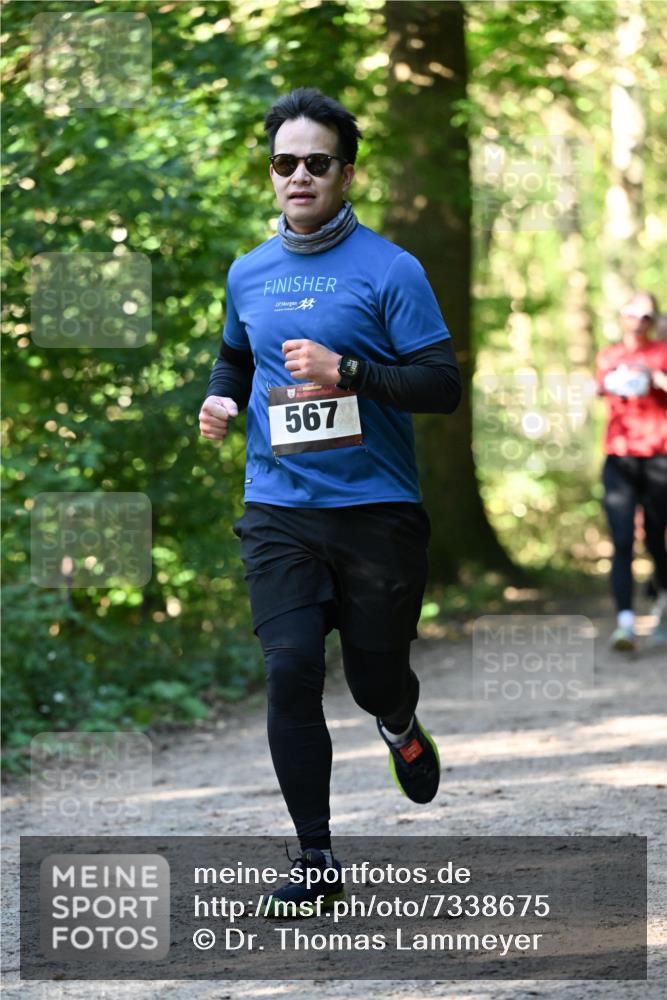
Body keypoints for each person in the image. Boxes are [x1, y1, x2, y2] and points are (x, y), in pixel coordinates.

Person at [198, 88, 461, 916]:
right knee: (288, 673)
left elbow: (440, 387)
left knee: (373, 678)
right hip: (278, 506)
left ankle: (399, 723)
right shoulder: (248, 270)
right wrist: (221, 402)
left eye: (317, 162)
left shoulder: (392, 269)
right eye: (285, 163)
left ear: (346, 172)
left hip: (376, 508)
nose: (299, 176)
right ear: (270, 173)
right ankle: (315, 858)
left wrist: (348, 373)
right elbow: (234, 358)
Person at [595, 291, 667, 651]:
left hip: (658, 458)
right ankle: (625, 622)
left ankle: (663, 598)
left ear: (653, 321)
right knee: (621, 540)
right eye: (631, 315)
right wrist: (610, 381)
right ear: (622, 317)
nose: (637, 323)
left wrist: (656, 378)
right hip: (619, 458)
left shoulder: (662, 353)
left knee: (656, 540)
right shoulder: (609, 355)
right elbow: (598, 389)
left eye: (645, 317)